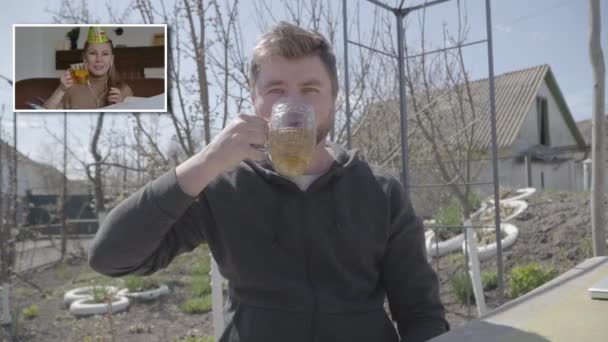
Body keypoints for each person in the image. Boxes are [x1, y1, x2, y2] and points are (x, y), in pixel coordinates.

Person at [88, 22, 449, 342]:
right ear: (254, 100)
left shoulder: (381, 191)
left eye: (310, 89)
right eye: (276, 90)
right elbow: (110, 258)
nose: (293, 104)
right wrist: (205, 161)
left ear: (334, 99)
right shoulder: (222, 184)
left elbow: (421, 313)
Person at [43, 26, 133, 109]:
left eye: (105, 54)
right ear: (84, 58)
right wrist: (61, 89)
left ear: (112, 59)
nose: (99, 59)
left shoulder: (124, 90)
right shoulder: (70, 87)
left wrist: (121, 106)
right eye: (93, 53)